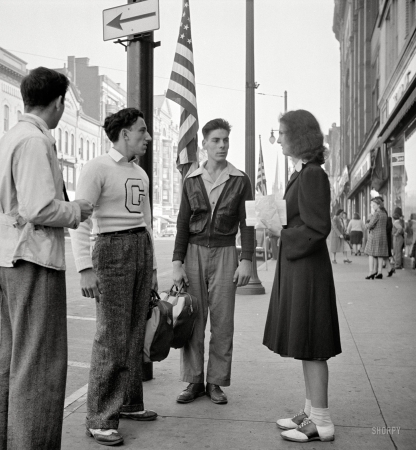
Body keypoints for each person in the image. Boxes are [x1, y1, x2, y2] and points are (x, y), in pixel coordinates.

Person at [0, 67, 93, 450]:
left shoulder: (10, 137)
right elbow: (40, 208)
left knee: (10, 358)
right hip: (31, 259)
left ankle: (2, 443)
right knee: (39, 366)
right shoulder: (37, 142)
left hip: (1, 258)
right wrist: (79, 211)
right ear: (57, 103)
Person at [70, 108, 158, 447]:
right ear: (124, 133)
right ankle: (100, 418)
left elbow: (146, 221)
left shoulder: (139, 172)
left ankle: (130, 404)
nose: (146, 137)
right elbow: (80, 220)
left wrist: (151, 269)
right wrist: (84, 268)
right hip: (111, 250)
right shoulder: (97, 168)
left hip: (139, 247)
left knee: (136, 329)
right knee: (111, 335)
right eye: (141, 130)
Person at [263, 110, 341, 443]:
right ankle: (310, 412)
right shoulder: (304, 172)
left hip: (308, 270)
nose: (278, 138)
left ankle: (321, 422)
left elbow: (317, 227)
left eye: (280, 133)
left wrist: (281, 234)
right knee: (307, 342)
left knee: (313, 344)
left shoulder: (311, 175)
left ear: (297, 136)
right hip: (301, 268)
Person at [172, 118, 254, 405]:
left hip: (225, 252)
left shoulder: (240, 179)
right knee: (193, 318)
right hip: (193, 251)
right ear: (204, 143)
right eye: (216, 140)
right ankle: (193, 381)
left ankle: (215, 382)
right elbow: (183, 223)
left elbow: (248, 223)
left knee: (222, 322)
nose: (222, 145)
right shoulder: (192, 179)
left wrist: (246, 260)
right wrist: (176, 263)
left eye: (225, 140)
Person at [363, 197, 388, 279]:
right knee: (380, 254)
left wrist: (367, 222)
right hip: (383, 236)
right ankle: (380, 272)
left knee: (371, 254)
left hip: (375, 236)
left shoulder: (376, 214)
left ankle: (371, 272)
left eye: (374, 205)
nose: (372, 206)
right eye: (372, 205)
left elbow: (370, 225)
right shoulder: (384, 213)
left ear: (378, 205)